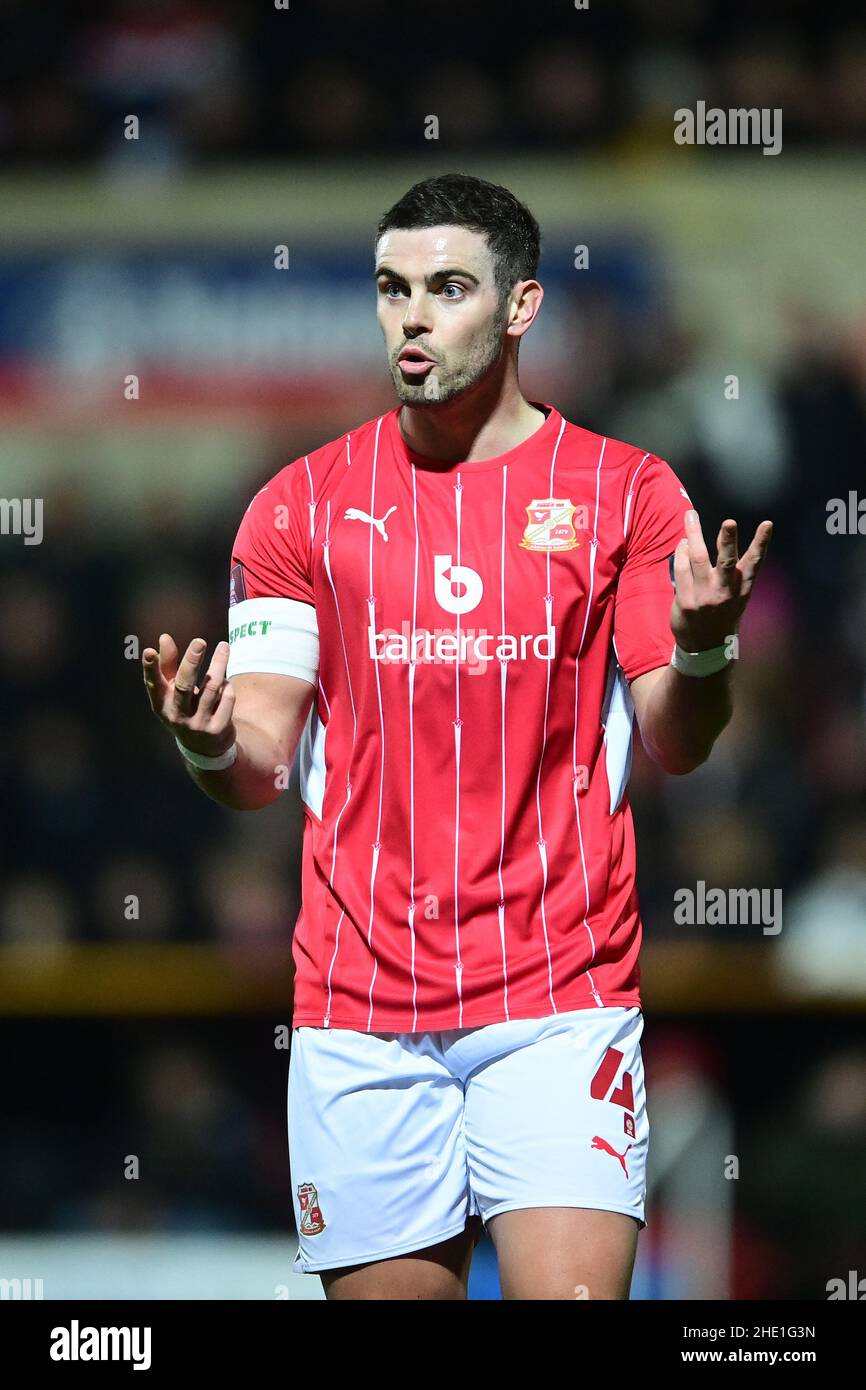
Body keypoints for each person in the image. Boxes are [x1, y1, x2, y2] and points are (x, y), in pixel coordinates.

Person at [142, 173, 772, 1300]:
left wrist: (703, 646)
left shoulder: (623, 493)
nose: (412, 317)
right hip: (359, 1013)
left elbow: (677, 739)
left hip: (558, 996)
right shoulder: (296, 508)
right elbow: (258, 766)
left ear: (520, 307)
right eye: (391, 289)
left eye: (445, 288)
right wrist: (202, 742)